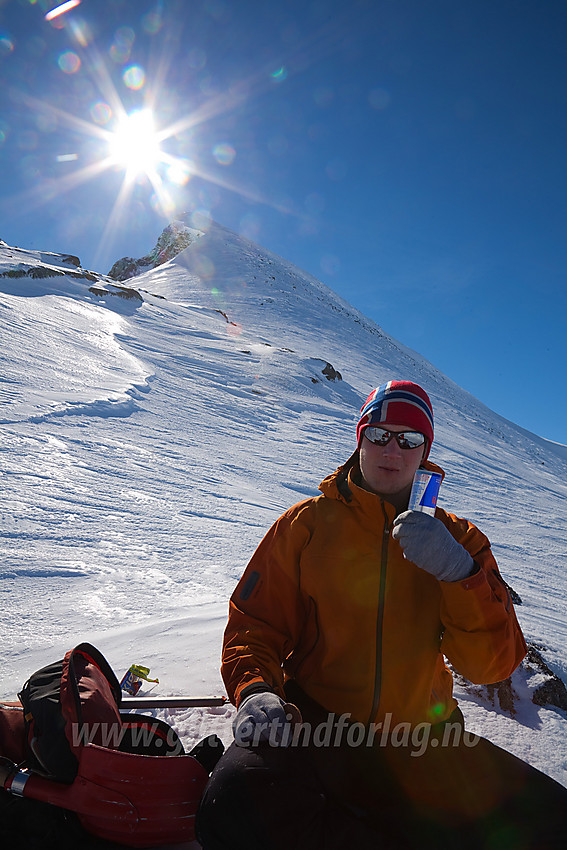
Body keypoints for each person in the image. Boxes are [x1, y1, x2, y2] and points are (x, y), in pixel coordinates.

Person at [197, 380, 567, 849]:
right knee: (230, 805)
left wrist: (459, 574)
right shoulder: (305, 525)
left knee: (552, 822)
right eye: (379, 434)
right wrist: (255, 689)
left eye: (410, 439)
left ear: (424, 451)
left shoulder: (460, 540)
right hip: (317, 725)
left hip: (422, 739)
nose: (392, 449)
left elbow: (489, 666)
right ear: (360, 439)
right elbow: (255, 624)